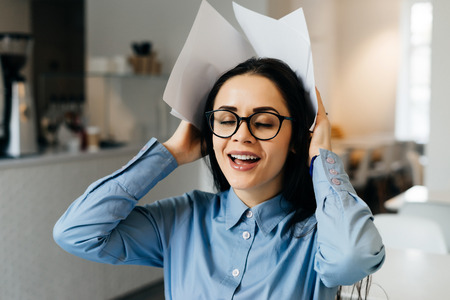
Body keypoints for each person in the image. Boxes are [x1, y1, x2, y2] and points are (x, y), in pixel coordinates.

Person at [54, 58, 385, 299]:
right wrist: (169, 153)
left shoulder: (317, 235)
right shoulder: (182, 219)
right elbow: (76, 233)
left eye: (265, 122)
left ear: (297, 139)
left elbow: (353, 258)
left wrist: (320, 157)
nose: (241, 135)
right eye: (226, 120)